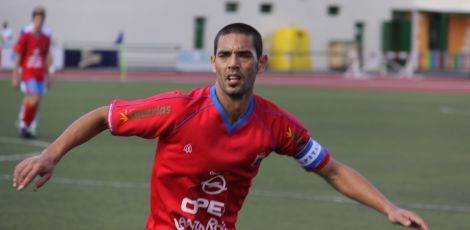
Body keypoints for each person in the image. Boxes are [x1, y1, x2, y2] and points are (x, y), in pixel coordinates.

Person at [12, 23, 428, 230]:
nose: (233, 63)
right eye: (225, 54)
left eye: (243, 55)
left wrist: (388, 207)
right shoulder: (177, 109)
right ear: (213, 62)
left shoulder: (277, 127)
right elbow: (103, 116)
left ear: (260, 64)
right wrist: (51, 154)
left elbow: (331, 169)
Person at [12, 6, 52, 138]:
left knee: (35, 100)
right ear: (33, 20)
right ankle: (24, 123)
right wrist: (15, 75)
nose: (38, 23)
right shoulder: (26, 36)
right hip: (28, 73)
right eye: (36, 20)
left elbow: (46, 57)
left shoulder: (45, 38)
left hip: (40, 74)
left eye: (41, 20)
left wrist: (49, 75)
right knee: (33, 98)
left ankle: (27, 126)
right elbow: (18, 56)